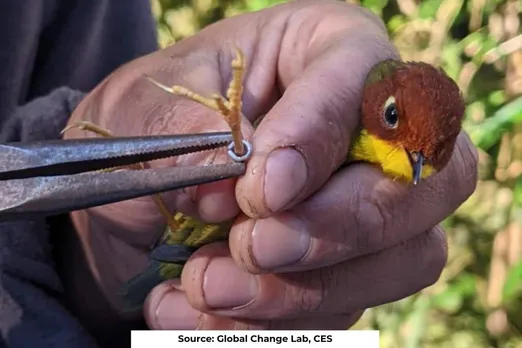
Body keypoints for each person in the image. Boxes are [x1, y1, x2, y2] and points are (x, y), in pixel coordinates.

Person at [0, 0, 478, 347]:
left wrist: (82, 248)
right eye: (394, 121)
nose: (413, 161)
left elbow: (52, 181)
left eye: (429, 154)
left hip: (148, 255)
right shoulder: (353, 130)